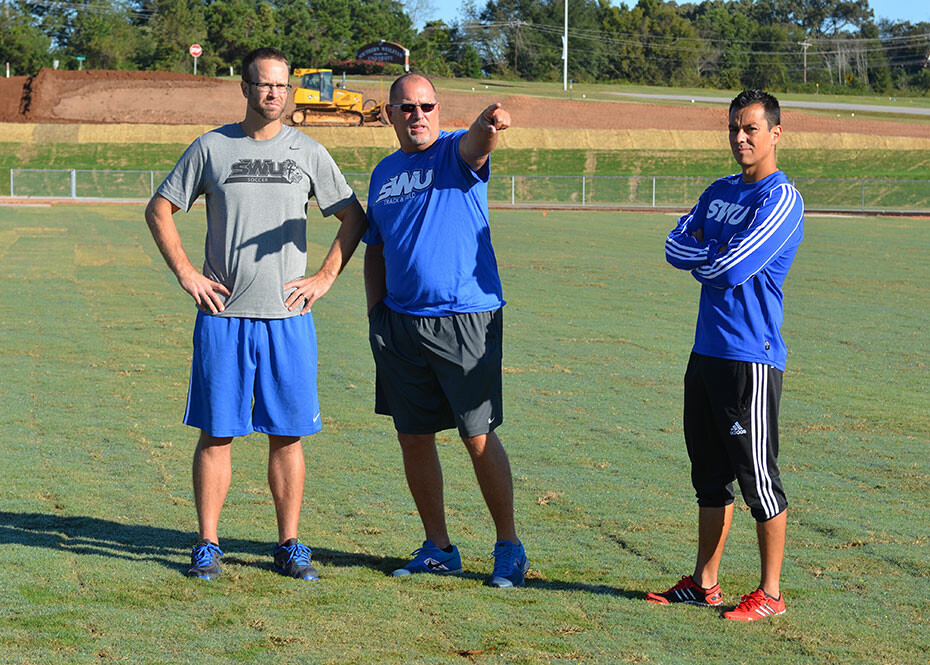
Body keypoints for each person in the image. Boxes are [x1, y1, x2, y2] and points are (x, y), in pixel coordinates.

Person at [143, 47, 367, 582]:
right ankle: (207, 544)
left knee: (287, 435)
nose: (274, 94)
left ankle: (289, 545)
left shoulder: (309, 151)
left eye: (282, 86)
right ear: (244, 88)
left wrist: (324, 278)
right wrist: (186, 274)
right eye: (264, 85)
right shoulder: (211, 148)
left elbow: (353, 217)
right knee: (217, 433)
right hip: (223, 317)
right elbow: (160, 209)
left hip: (288, 319)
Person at [363, 73, 528, 588]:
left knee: (476, 435)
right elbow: (375, 247)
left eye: (427, 106)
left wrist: (489, 122)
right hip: (401, 325)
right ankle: (438, 547)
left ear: (439, 110)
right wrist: (377, 314)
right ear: (390, 115)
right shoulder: (384, 173)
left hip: (464, 319)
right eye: (406, 108)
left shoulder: (456, 152)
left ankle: (509, 547)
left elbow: (480, 143)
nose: (418, 116)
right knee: (412, 436)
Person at [649, 89, 804, 620]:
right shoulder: (718, 190)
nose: (740, 137)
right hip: (706, 352)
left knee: (757, 478)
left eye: (751, 129)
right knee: (709, 476)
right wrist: (710, 253)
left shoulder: (782, 199)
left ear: (775, 133)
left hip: (750, 359)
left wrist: (709, 252)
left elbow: (730, 267)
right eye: (734, 128)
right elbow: (673, 246)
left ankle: (771, 594)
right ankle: (704, 583)